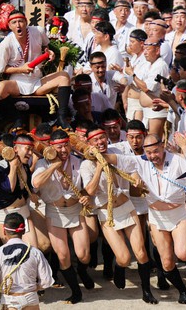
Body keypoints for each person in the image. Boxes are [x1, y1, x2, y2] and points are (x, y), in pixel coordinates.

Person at [79, 127, 156, 302]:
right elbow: (89, 190)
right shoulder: (86, 165)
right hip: (107, 213)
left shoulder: (116, 152)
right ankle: (119, 267)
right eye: (96, 140)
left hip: (126, 206)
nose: (100, 142)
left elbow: (132, 166)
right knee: (124, 258)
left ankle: (146, 291)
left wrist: (136, 177)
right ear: (90, 144)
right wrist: (99, 166)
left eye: (103, 138)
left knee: (142, 253)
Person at [134, 134, 186, 304]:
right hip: (157, 216)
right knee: (167, 262)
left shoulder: (178, 161)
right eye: (149, 152)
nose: (153, 156)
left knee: (182, 252)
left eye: (156, 151)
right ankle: (183, 291)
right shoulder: (141, 162)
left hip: (178, 213)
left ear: (163, 146)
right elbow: (119, 162)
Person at [31, 130, 93, 303]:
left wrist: (85, 195)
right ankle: (75, 291)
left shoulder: (79, 162)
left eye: (66, 145)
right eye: (59, 147)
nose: (63, 150)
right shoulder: (43, 164)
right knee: (63, 255)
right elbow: (36, 183)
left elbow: (86, 188)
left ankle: (82, 270)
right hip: (55, 211)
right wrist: (53, 166)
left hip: (75, 209)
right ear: (51, 147)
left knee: (83, 255)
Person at [0, 10, 72, 126]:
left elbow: (46, 45)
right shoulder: (5, 44)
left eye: (21, 21)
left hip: (37, 82)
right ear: (10, 26)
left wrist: (49, 52)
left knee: (64, 77)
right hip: (17, 83)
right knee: (0, 88)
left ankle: (61, 118)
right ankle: (17, 118)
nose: (18, 25)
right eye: (14, 22)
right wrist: (21, 69)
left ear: (26, 23)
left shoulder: (38, 31)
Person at [0, 212, 53, 310]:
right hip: (31, 298)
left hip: (10, 299)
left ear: (4, 231)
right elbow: (46, 280)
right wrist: (36, 288)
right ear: (24, 230)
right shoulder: (35, 252)